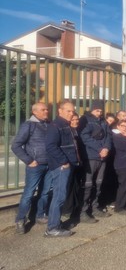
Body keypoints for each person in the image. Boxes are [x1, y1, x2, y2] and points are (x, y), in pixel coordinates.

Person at [11, 103, 51, 234]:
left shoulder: (49, 124)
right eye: (43, 109)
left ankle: (40, 216)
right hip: (35, 165)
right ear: (35, 112)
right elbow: (16, 145)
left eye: (47, 109)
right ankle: (20, 220)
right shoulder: (28, 125)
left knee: (44, 192)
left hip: (49, 165)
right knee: (29, 193)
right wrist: (29, 160)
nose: (46, 111)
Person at [45, 100, 80, 237]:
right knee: (59, 196)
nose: (71, 114)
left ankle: (55, 223)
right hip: (61, 166)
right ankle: (52, 228)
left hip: (67, 165)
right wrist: (64, 161)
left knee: (60, 196)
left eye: (72, 111)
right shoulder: (56, 126)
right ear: (60, 110)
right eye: (68, 111)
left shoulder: (65, 125)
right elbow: (51, 146)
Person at [78, 100, 112, 222]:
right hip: (91, 156)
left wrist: (107, 148)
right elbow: (84, 137)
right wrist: (100, 149)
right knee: (88, 184)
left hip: (102, 156)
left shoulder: (103, 121)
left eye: (101, 111)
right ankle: (83, 211)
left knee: (99, 182)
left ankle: (95, 207)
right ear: (92, 109)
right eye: (97, 110)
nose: (99, 113)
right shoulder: (85, 119)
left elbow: (108, 135)